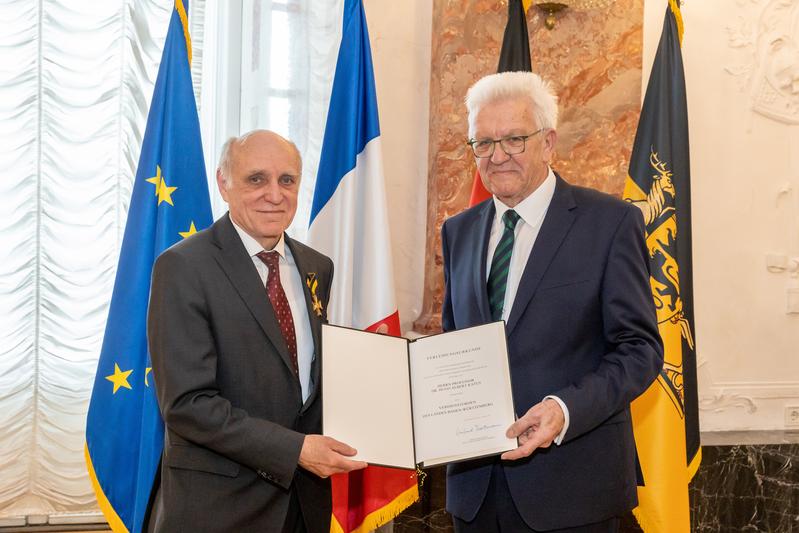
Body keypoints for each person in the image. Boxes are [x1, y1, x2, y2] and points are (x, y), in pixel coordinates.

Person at [441, 71, 664, 532]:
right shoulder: (458, 231)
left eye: (514, 139)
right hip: (474, 493)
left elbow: (640, 350)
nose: (497, 156)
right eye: (482, 143)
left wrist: (563, 410)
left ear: (548, 142)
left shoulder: (610, 223)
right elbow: (451, 345)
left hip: (574, 491)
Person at [147, 130, 367, 533]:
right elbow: (187, 404)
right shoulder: (183, 268)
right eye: (256, 179)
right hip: (220, 509)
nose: (275, 193)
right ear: (223, 184)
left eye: (287, 180)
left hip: (305, 506)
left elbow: (306, 383)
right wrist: (296, 450)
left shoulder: (317, 266)